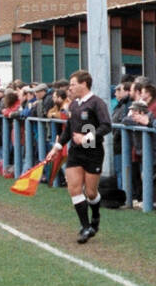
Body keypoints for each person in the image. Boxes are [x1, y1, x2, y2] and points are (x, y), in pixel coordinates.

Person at [47, 70, 112, 244]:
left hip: (93, 152)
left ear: (84, 84)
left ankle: (95, 216)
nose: (71, 87)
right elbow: (69, 128)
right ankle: (85, 227)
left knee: (91, 193)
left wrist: (87, 138)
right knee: (74, 188)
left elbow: (106, 126)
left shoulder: (97, 103)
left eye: (73, 84)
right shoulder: (74, 105)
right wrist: (57, 147)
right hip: (76, 152)